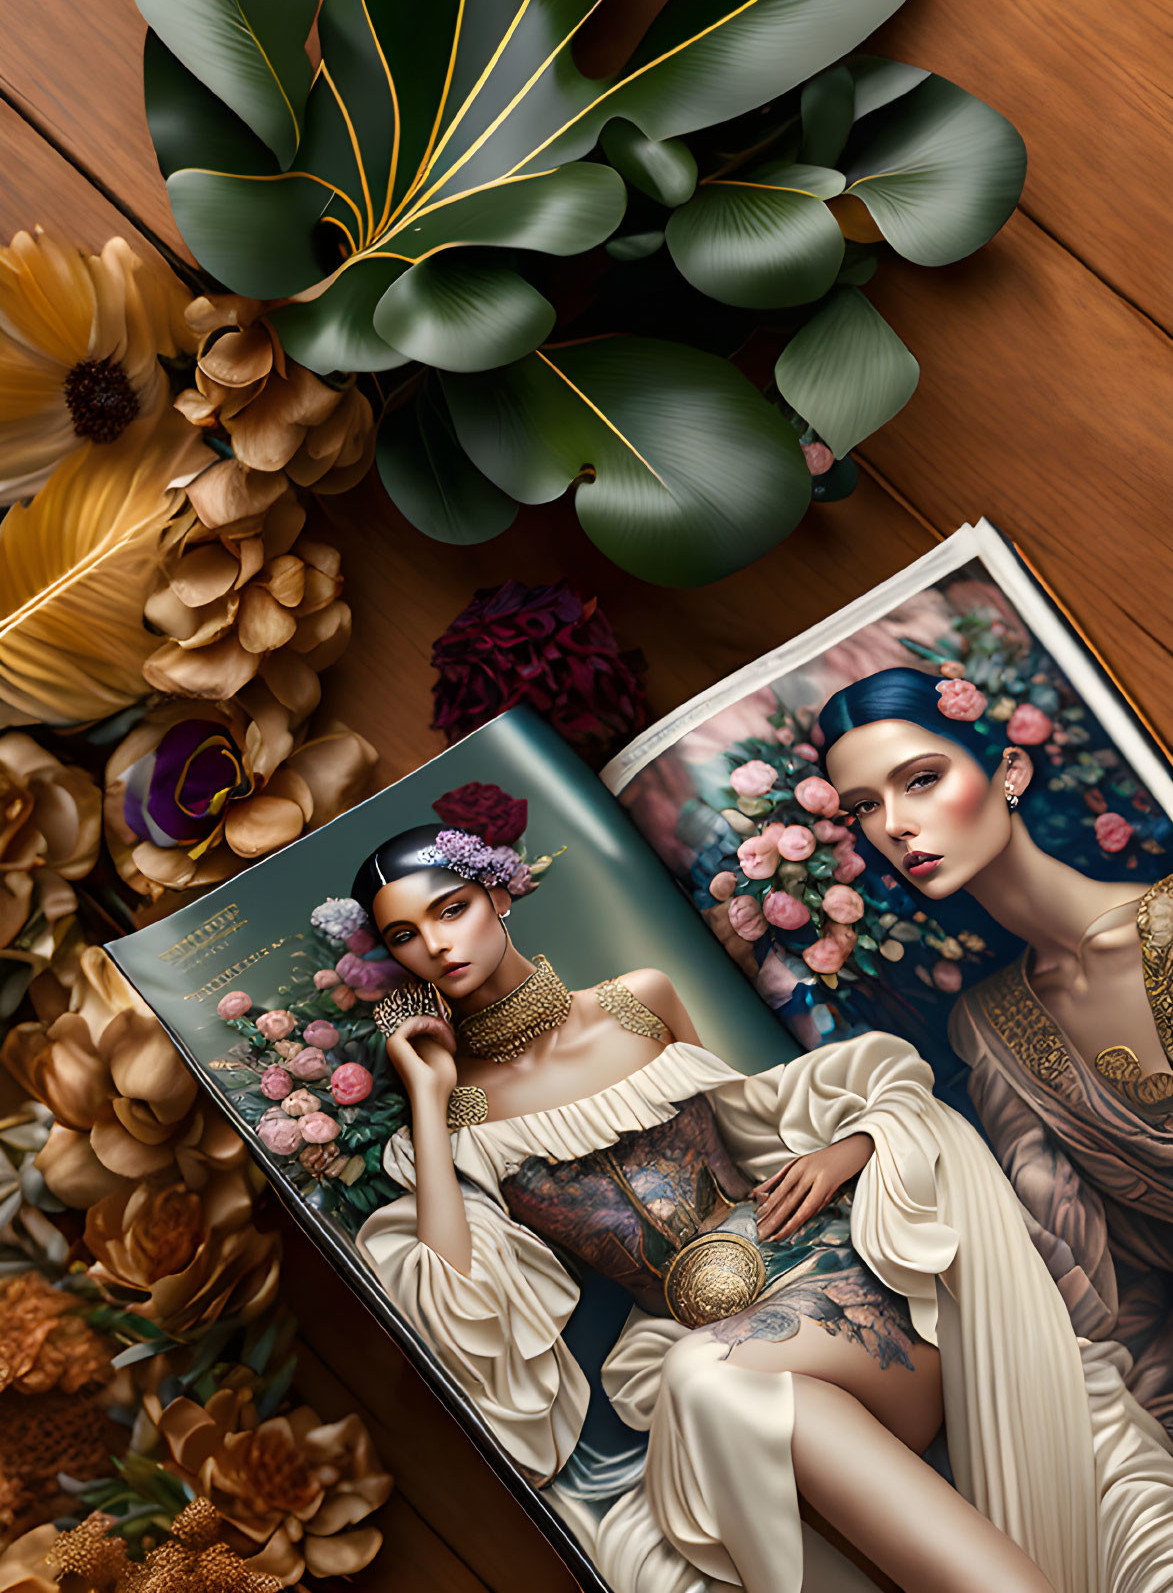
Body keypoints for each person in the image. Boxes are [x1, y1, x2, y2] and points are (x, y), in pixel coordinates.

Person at [353, 821, 1173, 1593]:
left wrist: (849, 1147)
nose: (435, 944)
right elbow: (459, 1314)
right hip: (732, 1366)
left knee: (701, 1379)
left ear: (499, 895)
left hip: (850, 1287)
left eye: (451, 909)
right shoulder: (453, 1118)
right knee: (702, 1386)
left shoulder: (637, 1001)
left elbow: (759, 1123)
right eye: (403, 936)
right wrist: (426, 1098)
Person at [819, 665, 1173, 1440]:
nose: (895, 826)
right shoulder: (987, 1025)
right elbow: (1102, 1287)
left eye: (919, 780)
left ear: (1007, 769)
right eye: (865, 809)